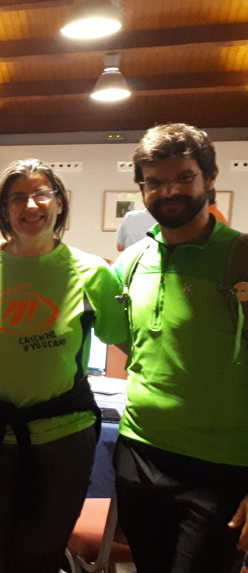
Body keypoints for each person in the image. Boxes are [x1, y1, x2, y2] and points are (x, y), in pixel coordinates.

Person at [0, 160, 127, 573]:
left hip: (64, 433)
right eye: (18, 198)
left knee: (43, 550)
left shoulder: (92, 272)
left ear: (59, 203)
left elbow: (127, 341)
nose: (31, 205)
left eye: (42, 193)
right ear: (4, 210)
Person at [113, 122, 248, 572]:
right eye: (155, 182)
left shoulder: (242, 257)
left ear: (210, 177)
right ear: (142, 188)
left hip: (221, 468)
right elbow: (129, 343)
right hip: (138, 453)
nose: (169, 191)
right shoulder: (131, 263)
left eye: (184, 177)